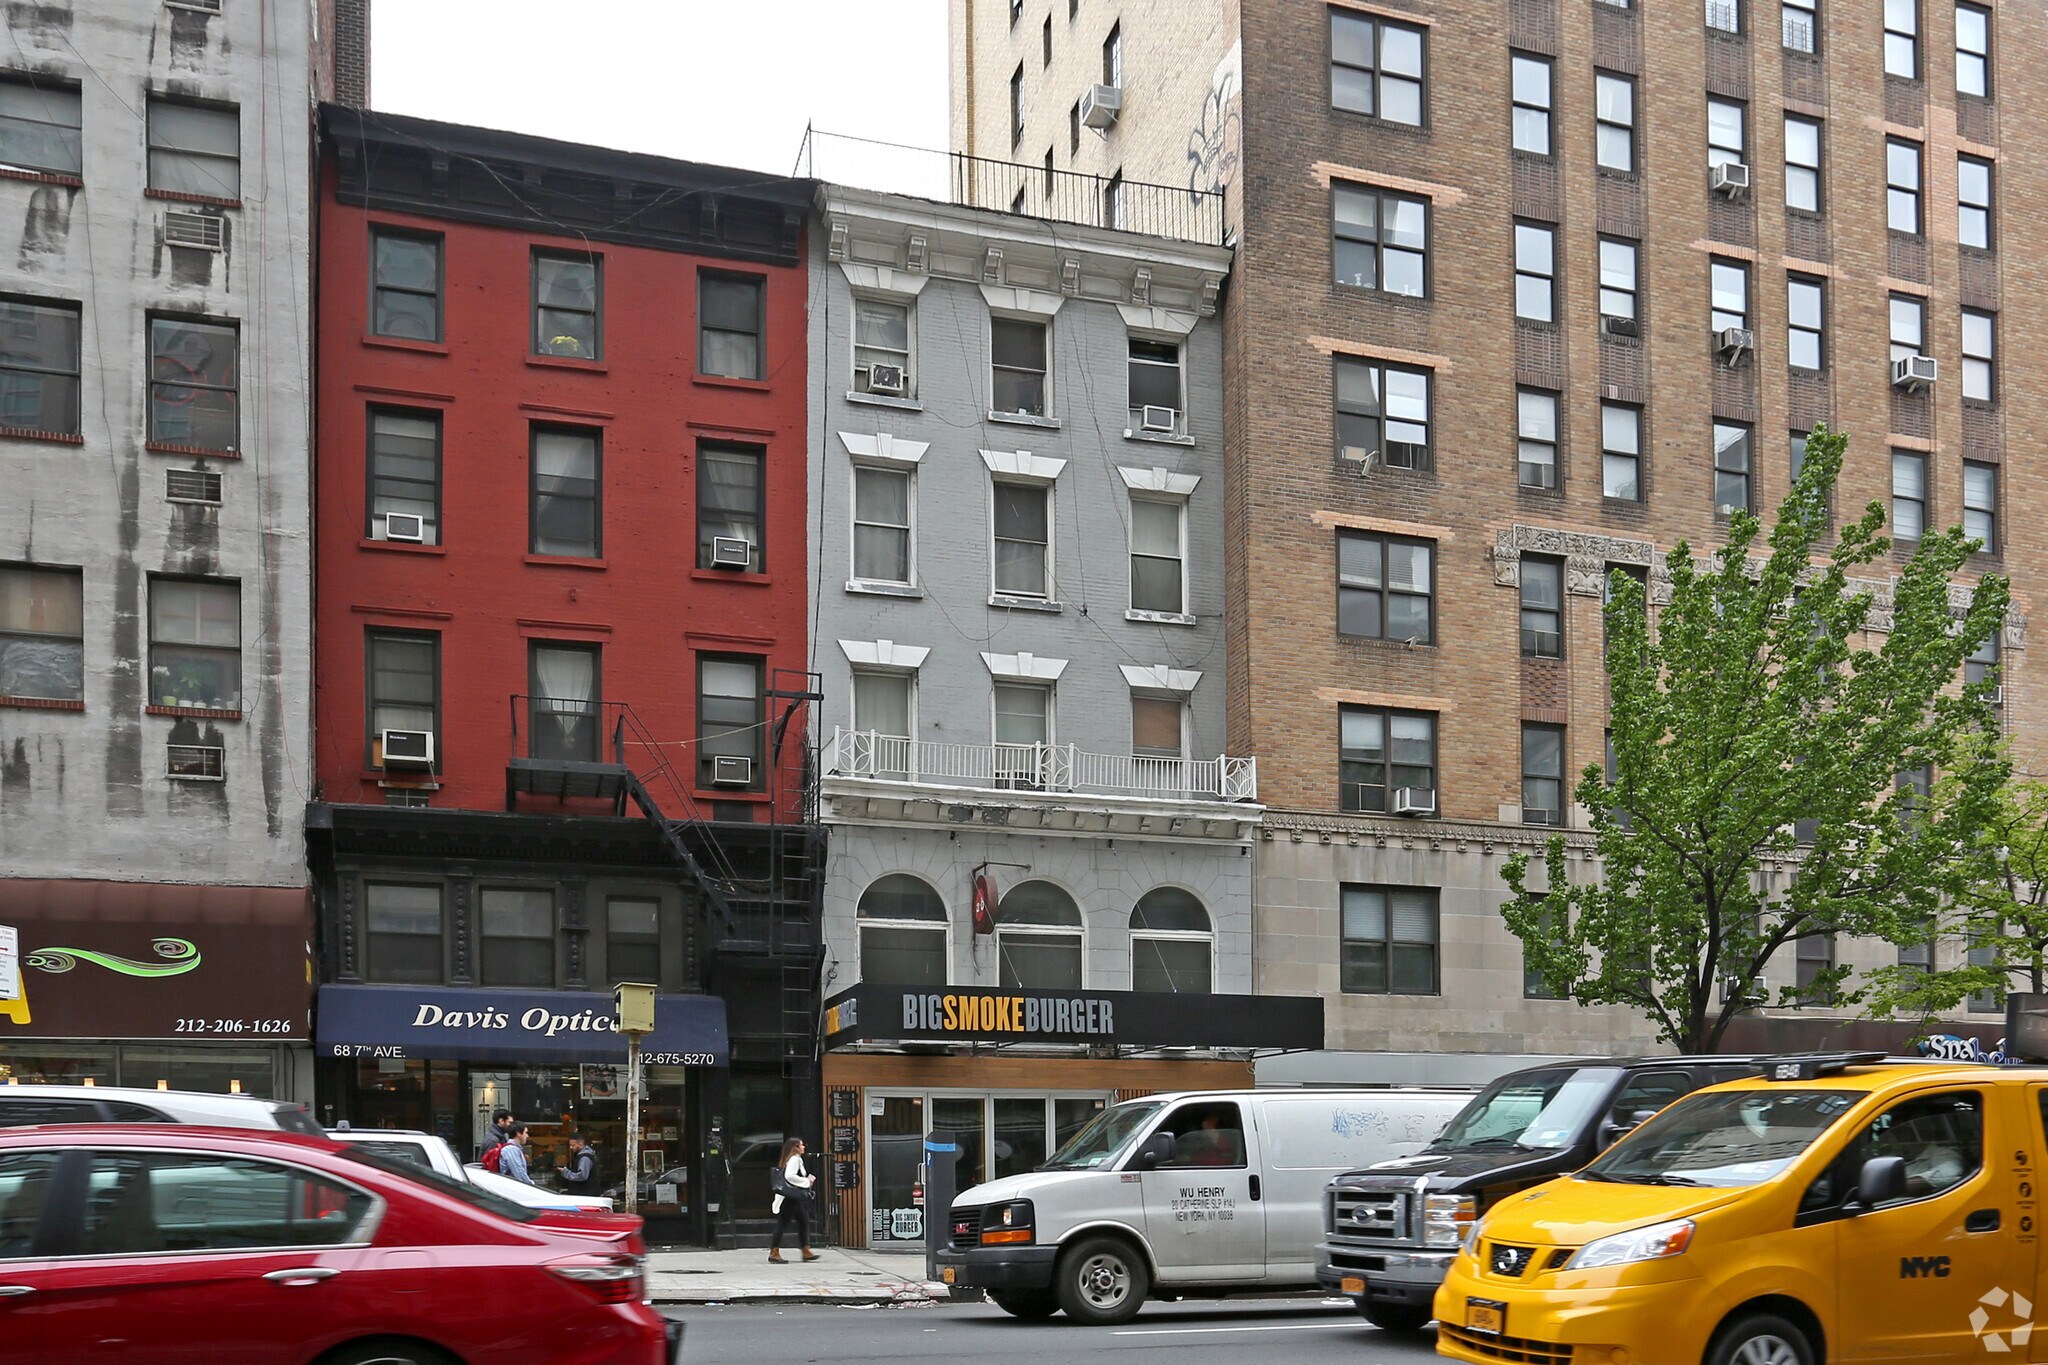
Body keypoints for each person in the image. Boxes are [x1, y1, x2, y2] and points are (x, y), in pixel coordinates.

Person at [766, 1136, 819, 1264]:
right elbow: (790, 1176)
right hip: (791, 1197)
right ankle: (774, 1252)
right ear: (795, 1148)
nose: (803, 1147)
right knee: (783, 1223)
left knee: (803, 1221)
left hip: (793, 1196)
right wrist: (807, 1181)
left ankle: (805, 1250)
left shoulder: (793, 1159)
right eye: (801, 1145)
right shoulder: (795, 1159)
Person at [480, 1109, 516, 1173]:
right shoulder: (493, 1140)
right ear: (501, 1121)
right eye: (509, 1122)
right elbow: (490, 1165)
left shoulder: (498, 1137)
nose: (511, 1126)